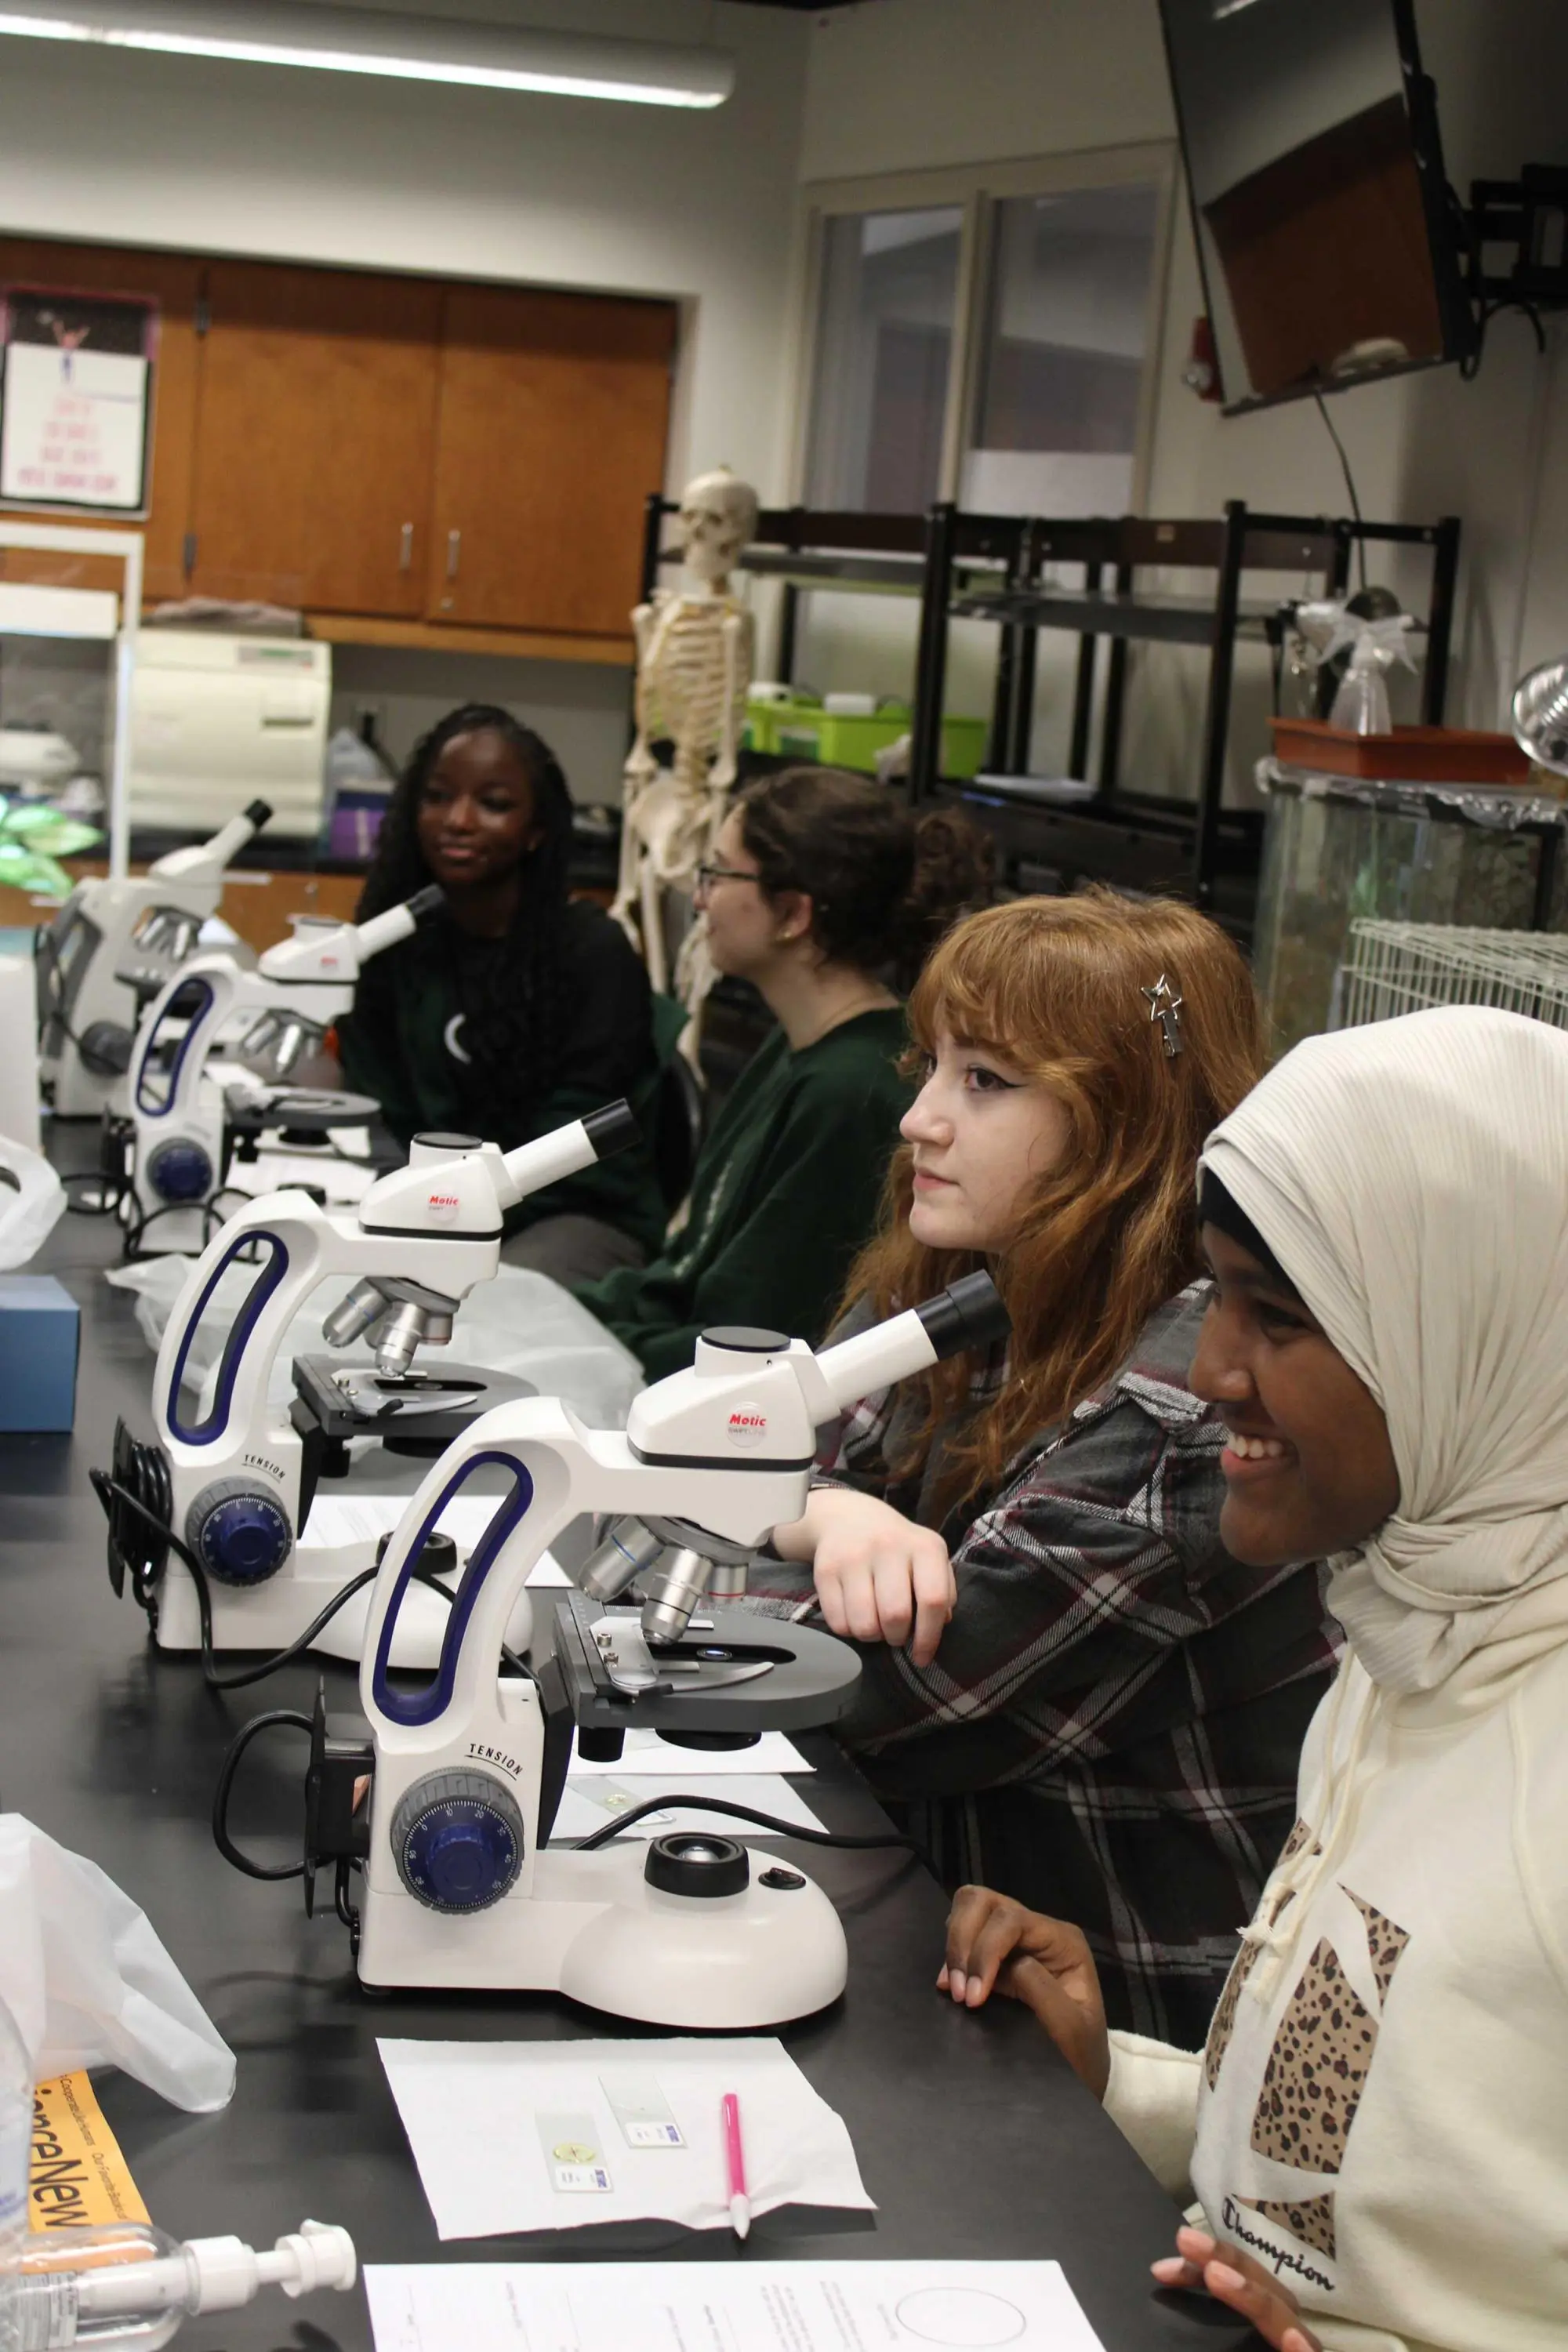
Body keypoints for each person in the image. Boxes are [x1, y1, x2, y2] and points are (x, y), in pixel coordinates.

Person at [941, 1004, 1568, 2352]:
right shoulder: (1413, 1638)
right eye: (1215, 1294)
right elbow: (1381, 2173)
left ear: (1472, 1331)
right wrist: (1113, 2084)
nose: (1212, 1368)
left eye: (1277, 1319)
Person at [754, 891, 1340, 2045]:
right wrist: (820, 1518)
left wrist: (764, 1515)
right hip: (938, 1928)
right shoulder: (960, 1279)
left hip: (1115, 2040)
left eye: (987, 1081)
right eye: (934, 1065)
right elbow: (717, 1483)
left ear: (1122, 1120)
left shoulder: (1191, 1414)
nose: (919, 1118)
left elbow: (869, 1699)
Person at [575, 764, 989, 1378]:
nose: (700, 898)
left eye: (717, 873)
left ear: (793, 913)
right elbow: (689, 1273)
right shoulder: (798, 1045)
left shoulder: (849, 1090)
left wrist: (586, 1344)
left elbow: (756, 1336)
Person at [336, 703, 666, 1287]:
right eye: (437, 797)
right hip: (430, 1204)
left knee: (484, 1303)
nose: (457, 820)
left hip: (571, 1210)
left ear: (537, 829)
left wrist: (459, 1218)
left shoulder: (592, 952)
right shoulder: (396, 941)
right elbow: (377, 1100)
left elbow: (580, 1140)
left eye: (494, 804)